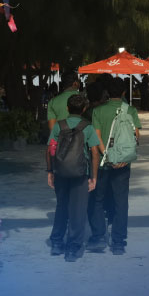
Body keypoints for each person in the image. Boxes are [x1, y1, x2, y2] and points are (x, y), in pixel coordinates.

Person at [87, 78, 141, 255]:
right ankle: (118, 242)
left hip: (103, 163)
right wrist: (122, 156)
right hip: (123, 163)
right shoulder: (130, 110)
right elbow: (136, 136)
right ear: (124, 92)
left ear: (107, 93)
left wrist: (107, 155)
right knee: (121, 201)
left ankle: (98, 237)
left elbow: (96, 137)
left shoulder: (98, 111)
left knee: (97, 199)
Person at [47, 93, 100, 262]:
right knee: (77, 211)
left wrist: (50, 171)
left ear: (67, 108)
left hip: (61, 172)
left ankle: (56, 243)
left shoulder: (59, 126)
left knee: (61, 206)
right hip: (80, 174)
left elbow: (50, 149)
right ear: (84, 109)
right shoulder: (88, 127)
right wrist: (94, 176)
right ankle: (73, 248)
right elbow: (94, 153)